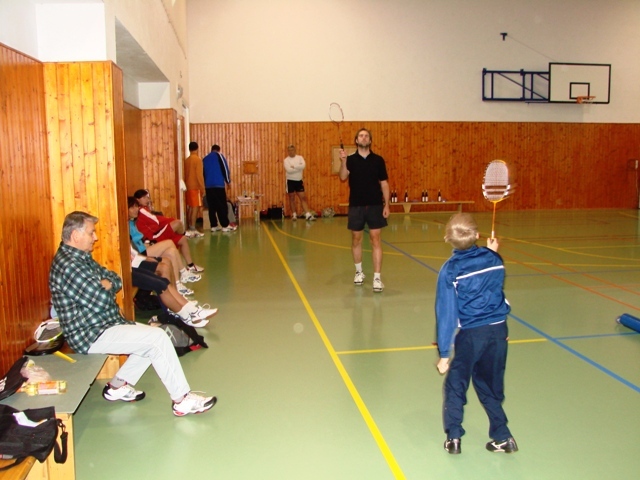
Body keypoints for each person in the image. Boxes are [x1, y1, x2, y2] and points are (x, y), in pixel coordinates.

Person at [49, 211, 216, 416]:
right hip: (90, 334)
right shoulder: (70, 266)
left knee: (152, 340)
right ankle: (181, 400)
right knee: (157, 339)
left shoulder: (81, 257)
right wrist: (106, 287)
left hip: (106, 323)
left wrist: (107, 284)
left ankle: (117, 387)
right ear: (75, 235)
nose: (95, 237)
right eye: (91, 233)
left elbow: (114, 278)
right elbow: (101, 300)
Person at [435, 213, 518, 455]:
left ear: (448, 238)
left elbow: (446, 313)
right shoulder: (495, 259)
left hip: (472, 334)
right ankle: (503, 436)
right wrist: (491, 251)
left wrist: (444, 353)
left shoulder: (450, 270)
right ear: (476, 234)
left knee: (456, 384)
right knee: (489, 385)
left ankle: (454, 438)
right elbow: (494, 288)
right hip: (498, 330)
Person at [338, 128, 390, 292]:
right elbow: (343, 177)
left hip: (375, 205)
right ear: (356, 140)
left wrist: (387, 205)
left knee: (376, 240)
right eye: (361, 136)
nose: (364, 138)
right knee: (356, 239)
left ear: (370, 140)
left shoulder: (378, 160)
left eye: (366, 136)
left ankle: (377, 278)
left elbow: (384, 183)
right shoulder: (351, 160)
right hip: (356, 205)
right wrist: (343, 161)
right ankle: (359, 272)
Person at [128, 196, 201, 294]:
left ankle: (177, 284)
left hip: (143, 248)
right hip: (140, 253)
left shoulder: (132, 221)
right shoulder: (126, 224)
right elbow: (132, 246)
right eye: (132, 207)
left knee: (171, 252)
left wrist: (146, 243)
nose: (136, 209)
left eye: (136, 206)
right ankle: (183, 272)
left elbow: (138, 240)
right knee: (169, 243)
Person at [130, 247, 216, 328]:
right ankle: (185, 317)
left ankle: (192, 310)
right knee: (160, 285)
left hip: (132, 263)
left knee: (164, 280)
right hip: (128, 270)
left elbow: (130, 250)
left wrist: (143, 258)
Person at [133, 190, 204, 273]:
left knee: (182, 239)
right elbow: (156, 220)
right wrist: (170, 221)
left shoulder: (145, 209)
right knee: (177, 223)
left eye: (147, 197)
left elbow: (155, 220)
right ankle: (186, 233)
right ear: (137, 200)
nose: (147, 199)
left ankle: (191, 266)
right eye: (144, 197)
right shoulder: (141, 210)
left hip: (157, 232)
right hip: (154, 236)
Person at [203, 144, 237, 233]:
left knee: (212, 206)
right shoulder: (219, 156)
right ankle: (225, 225)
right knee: (222, 206)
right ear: (218, 150)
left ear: (211, 150)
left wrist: (205, 183)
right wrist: (228, 181)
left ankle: (213, 226)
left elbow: (203, 173)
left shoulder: (205, 159)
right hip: (218, 185)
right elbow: (225, 169)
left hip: (208, 186)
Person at [284, 144, 315, 220]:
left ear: (295, 150)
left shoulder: (300, 158)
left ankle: (308, 214)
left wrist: (294, 166)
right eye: (289, 150)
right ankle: (294, 215)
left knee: (303, 197)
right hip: (290, 181)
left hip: (299, 181)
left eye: (292, 150)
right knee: (291, 198)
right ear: (288, 151)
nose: (291, 152)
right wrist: (298, 167)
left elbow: (303, 166)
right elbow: (289, 170)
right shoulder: (286, 160)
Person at [184, 141, 206, 235]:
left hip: (188, 186)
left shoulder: (187, 160)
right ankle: (192, 228)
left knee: (190, 207)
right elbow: (199, 175)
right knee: (195, 208)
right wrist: (202, 188)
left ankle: (190, 226)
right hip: (195, 187)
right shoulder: (197, 160)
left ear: (189, 149)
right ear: (197, 148)